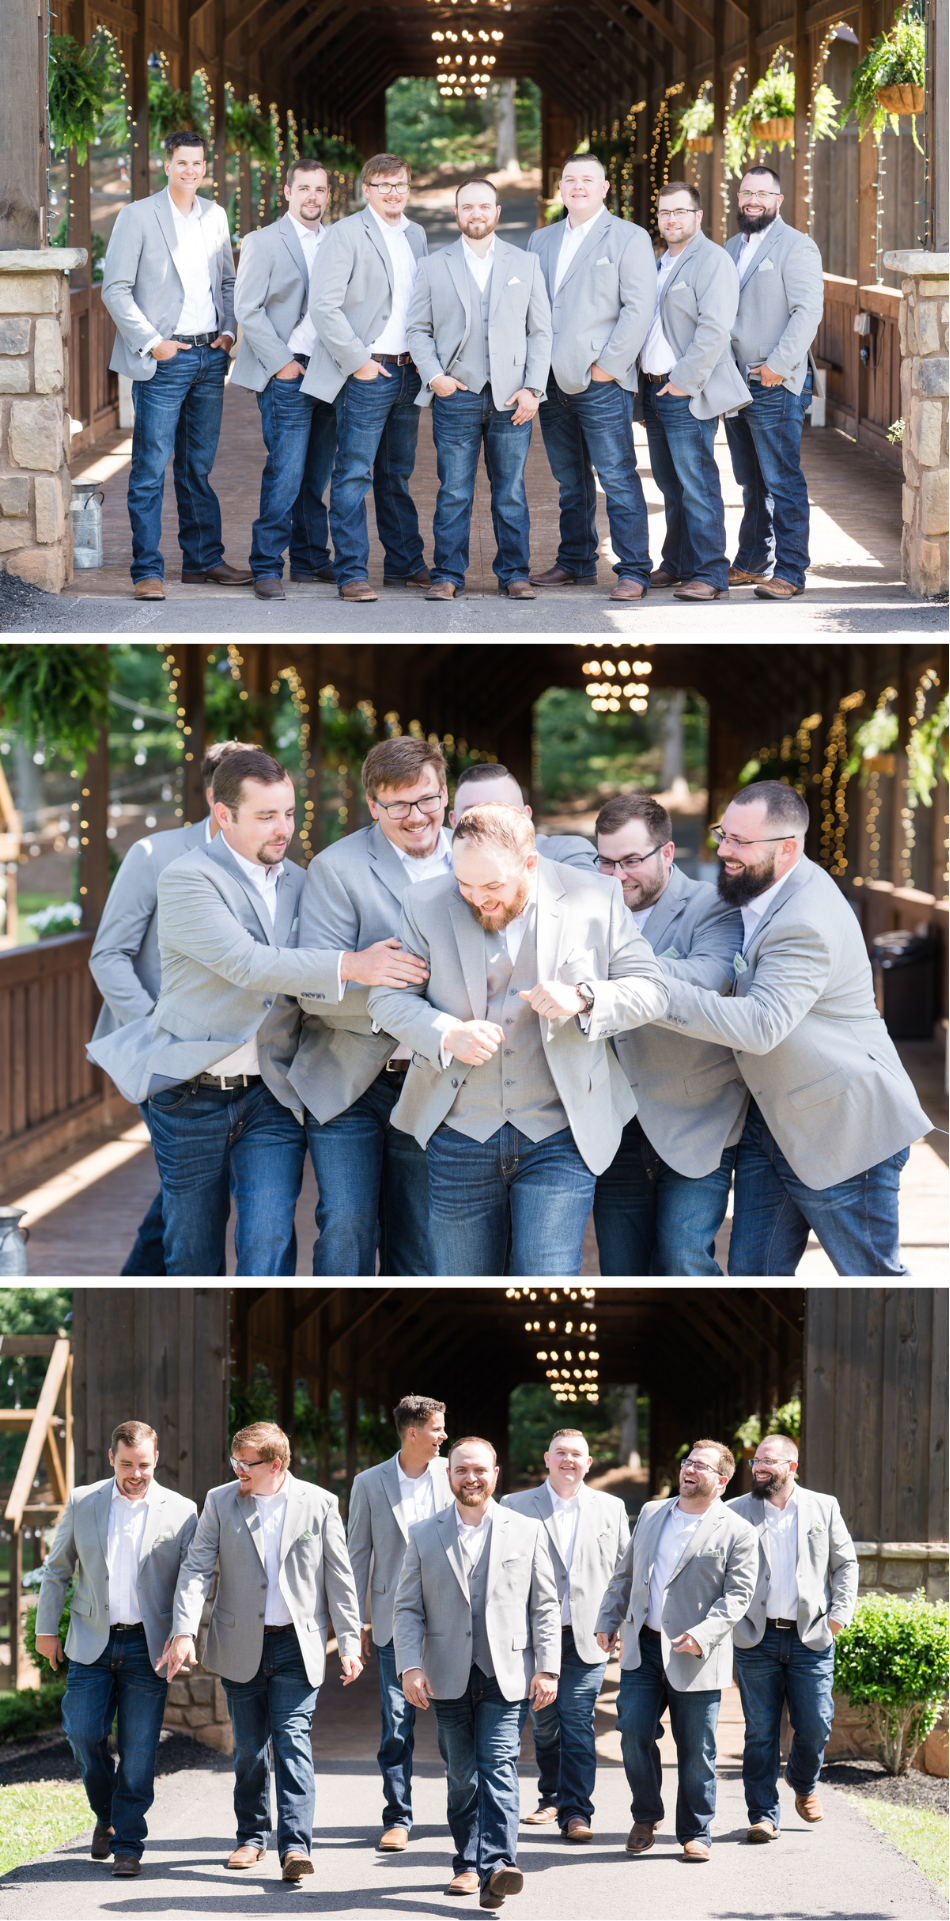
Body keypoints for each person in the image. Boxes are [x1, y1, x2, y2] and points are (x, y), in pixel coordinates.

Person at [88, 748, 401, 1276]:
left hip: (271, 1095)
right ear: (224, 815)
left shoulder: (303, 882)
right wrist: (353, 965)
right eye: (266, 816)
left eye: (289, 813)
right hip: (188, 1093)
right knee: (191, 1246)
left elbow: (306, 981)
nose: (283, 829)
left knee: (271, 1236)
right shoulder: (187, 878)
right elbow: (246, 963)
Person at [366, 803, 670, 1276]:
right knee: (459, 1287)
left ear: (530, 863)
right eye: (465, 885)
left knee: (547, 1280)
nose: (478, 900)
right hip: (459, 1129)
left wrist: (585, 998)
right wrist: (447, 1034)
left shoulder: (597, 896)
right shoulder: (425, 902)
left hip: (560, 1131)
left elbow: (653, 990)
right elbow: (387, 1001)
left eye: (492, 887)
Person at [655, 779, 930, 1275]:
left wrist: (651, 996)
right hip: (774, 1121)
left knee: (876, 1288)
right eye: (724, 835)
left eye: (740, 842)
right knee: (754, 1281)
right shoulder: (768, 888)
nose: (724, 850)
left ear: (788, 848)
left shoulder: (805, 918)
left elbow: (761, 1024)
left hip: (845, 1128)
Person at [162, 1421, 362, 1883]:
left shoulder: (320, 1503)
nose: (237, 1471)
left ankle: (295, 1847)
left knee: (292, 1740)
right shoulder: (220, 1500)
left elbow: (340, 1577)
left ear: (276, 1464)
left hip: (298, 1642)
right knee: (251, 1747)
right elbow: (196, 1567)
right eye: (233, 1462)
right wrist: (184, 1630)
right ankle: (251, 1836)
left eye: (244, 1464)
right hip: (239, 1642)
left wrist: (349, 1642)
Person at [287, 736, 447, 1276]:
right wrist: (391, 996)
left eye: (426, 799)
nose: (415, 816)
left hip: (432, 1078)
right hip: (347, 1076)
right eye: (397, 805)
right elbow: (314, 990)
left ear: (445, 794)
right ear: (374, 806)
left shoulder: (475, 860)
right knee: (348, 1222)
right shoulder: (337, 868)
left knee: (421, 1235)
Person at [88, 739, 249, 1275]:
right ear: (215, 797)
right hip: (161, 1055)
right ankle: (139, 1279)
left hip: (235, 1059)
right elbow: (108, 955)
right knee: (190, 1185)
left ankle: (136, 1278)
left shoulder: (267, 856)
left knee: (191, 1185)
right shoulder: (155, 855)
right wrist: (159, 1032)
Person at [393, 1435, 561, 1906]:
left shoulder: (526, 1530)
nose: (471, 1478)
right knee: (462, 1774)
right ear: (449, 1476)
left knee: (498, 1766)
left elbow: (545, 1606)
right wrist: (409, 1666)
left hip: (505, 1673)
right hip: (446, 1674)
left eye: (480, 1470)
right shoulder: (424, 1533)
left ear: (495, 1474)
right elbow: (407, 1608)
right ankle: (467, 1863)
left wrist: (547, 1668)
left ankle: (499, 1865)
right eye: (462, 1469)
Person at [34, 1420, 197, 1879]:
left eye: (143, 1464)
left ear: (155, 1460)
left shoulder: (182, 1510)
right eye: (126, 1464)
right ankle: (106, 1814)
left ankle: (128, 1843)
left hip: (149, 1646)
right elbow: (57, 1569)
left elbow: (190, 1579)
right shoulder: (84, 1500)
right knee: (83, 1732)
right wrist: (46, 1629)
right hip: (91, 1641)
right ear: (112, 1459)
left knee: (139, 1748)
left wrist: (184, 1631)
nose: (136, 1473)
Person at [591, 794, 745, 1276]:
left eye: (631, 861)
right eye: (606, 862)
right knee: (621, 1269)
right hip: (612, 1122)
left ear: (667, 853)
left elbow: (708, 978)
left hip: (697, 1117)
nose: (617, 876)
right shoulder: (585, 909)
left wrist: (608, 975)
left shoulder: (714, 904)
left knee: (683, 1259)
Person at [101, 130, 252, 601]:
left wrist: (228, 333)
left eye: (198, 164)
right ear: (166, 166)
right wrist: (153, 343)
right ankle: (147, 569)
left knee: (197, 468)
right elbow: (115, 289)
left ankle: (202, 561)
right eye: (182, 163)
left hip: (210, 356)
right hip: (165, 359)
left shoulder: (215, 215)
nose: (191, 171)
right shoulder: (137, 216)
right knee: (149, 467)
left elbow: (227, 281)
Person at [595, 1440, 758, 1863]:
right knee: (632, 1732)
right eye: (687, 1461)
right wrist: (608, 1620)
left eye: (701, 1466)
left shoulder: (738, 1530)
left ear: (721, 1481)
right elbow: (625, 1573)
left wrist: (704, 1633)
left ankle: (696, 1831)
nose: (689, 1469)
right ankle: (646, 1816)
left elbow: (738, 1596)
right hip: (643, 1650)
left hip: (697, 1653)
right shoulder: (652, 1513)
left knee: (696, 1748)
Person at [406, 178, 551, 601]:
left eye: (484, 207)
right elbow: (418, 329)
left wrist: (533, 390)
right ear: (457, 214)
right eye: (467, 207)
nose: (476, 214)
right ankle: (447, 574)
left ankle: (514, 574)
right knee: (453, 490)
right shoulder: (434, 265)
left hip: (512, 400)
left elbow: (540, 332)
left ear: (497, 212)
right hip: (457, 395)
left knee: (510, 492)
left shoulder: (525, 264)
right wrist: (436, 378)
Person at [525, 154, 655, 602]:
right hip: (550, 383)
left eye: (587, 180)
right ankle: (577, 561)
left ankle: (634, 568)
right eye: (569, 180)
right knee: (569, 479)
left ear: (604, 188)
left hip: (601, 382)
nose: (577, 186)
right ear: (560, 188)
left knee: (616, 475)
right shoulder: (539, 240)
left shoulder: (628, 237)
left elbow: (639, 309)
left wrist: (608, 368)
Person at [305, 153, 431, 601]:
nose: (393, 193)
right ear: (366, 190)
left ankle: (404, 563)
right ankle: (352, 571)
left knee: (396, 473)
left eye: (400, 184)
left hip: (407, 372)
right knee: (353, 473)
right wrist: (359, 362)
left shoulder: (417, 235)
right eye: (383, 186)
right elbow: (323, 306)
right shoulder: (344, 235)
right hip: (367, 371)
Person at [726, 1433, 858, 1840]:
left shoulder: (824, 1506)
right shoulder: (734, 1511)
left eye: (768, 1461)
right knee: (760, 1731)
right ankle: (762, 1814)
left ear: (791, 1467)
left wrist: (838, 1617)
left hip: (811, 1635)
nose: (759, 1467)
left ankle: (803, 1784)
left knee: (815, 1723)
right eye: (755, 1461)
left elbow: (845, 1563)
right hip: (756, 1637)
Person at [501, 1427, 629, 1841]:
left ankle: (577, 1812)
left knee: (577, 1719)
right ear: (547, 1459)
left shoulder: (611, 1509)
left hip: (588, 1636)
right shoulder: (514, 1505)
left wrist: (621, 1623)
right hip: (534, 1639)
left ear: (589, 1463)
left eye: (577, 1454)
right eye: (561, 1453)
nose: (568, 1460)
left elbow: (624, 1572)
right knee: (545, 1723)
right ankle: (551, 1795)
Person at [346, 1395, 452, 1850]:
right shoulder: (369, 1483)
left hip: (451, 1621)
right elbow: (357, 1557)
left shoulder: (455, 1475)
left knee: (454, 1725)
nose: (444, 1436)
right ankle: (398, 1817)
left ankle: (462, 1812)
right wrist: (357, 1627)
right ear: (413, 1432)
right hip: (393, 1623)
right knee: (395, 1724)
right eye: (437, 1429)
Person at [639, 182, 751, 603]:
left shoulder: (712, 260)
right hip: (653, 390)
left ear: (698, 216)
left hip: (684, 390)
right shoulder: (657, 263)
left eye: (680, 212)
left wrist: (683, 382)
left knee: (698, 483)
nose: (671, 219)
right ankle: (677, 563)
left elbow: (714, 328)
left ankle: (710, 572)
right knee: (670, 484)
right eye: (665, 212)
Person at [231, 159, 337, 601]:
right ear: (288, 193)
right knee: (285, 472)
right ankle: (267, 566)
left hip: (330, 371)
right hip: (286, 371)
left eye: (320, 189)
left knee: (317, 475)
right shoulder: (262, 241)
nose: (312, 196)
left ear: (328, 195)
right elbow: (247, 309)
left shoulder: (338, 240)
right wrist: (281, 363)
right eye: (304, 188)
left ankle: (312, 559)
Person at [724, 167, 825, 599]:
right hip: (733, 382)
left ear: (778, 200)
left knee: (783, 479)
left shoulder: (797, 246)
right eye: (747, 192)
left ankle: (791, 572)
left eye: (763, 193)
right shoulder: (730, 247)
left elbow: (807, 312)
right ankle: (752, 561)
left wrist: (778, 367)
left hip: (773, 381)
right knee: (752, 480)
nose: (754, 200)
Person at [448, 761, 594, 868]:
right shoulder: (442, 867)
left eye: (502, 810)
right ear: (453, 822)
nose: (487, 824)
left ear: (526, 817)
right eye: (473, 814)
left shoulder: (567, 852)